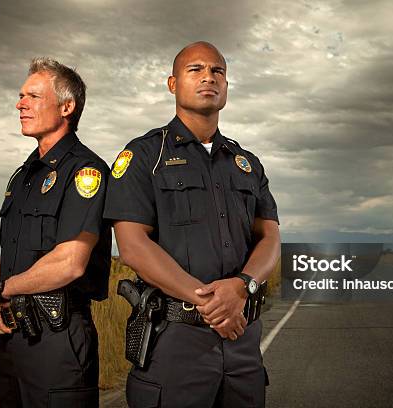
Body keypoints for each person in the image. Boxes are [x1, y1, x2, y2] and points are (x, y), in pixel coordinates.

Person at [104, 41, 281, 407]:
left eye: (218, 71)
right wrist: (211, 303)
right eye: (195, 70)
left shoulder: (246, 163)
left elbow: (270, 238)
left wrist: (242, 287)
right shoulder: (143, 155)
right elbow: (133, 248)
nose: (208, 77)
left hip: (241, 340)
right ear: (172, 84)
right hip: (174, 343)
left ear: (227, 86)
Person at [0, 57, 111, 408]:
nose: (20, 104)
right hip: (14, 335)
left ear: (67, 106)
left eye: (32, 96)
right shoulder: (23, 177)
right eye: (21, 96)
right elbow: (13, 248)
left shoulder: (85, 171)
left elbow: (70, 263)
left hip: (58, 338)